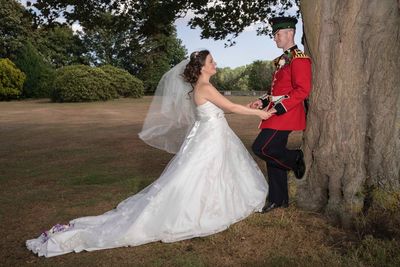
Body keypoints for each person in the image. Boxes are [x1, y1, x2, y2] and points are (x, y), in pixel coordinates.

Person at [26, 50, 270, 257]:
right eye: (211, 62)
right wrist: (258, 114)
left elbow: (220, 111)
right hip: (210, 138)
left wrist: (247, 108)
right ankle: (200, 210)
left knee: (214, 172)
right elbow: (230, 106)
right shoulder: (204, 86)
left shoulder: (204, 86)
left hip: (214, 134)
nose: (215, 64)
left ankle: (218, 203)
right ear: (202, 68)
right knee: (201, 174)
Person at [249, 16, 312, 213]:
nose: (275, 38)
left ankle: (294, 158)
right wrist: (263, 101)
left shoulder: (300, 59)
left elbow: (302, 90)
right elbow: (276, 89)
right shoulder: (281, 60)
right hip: (274, 112)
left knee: (261, 148)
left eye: (277, 34)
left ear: (289, 33)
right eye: (274, 34)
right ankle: (279, 199)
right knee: (270, 152)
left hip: (287, 113)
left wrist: (279, 108)